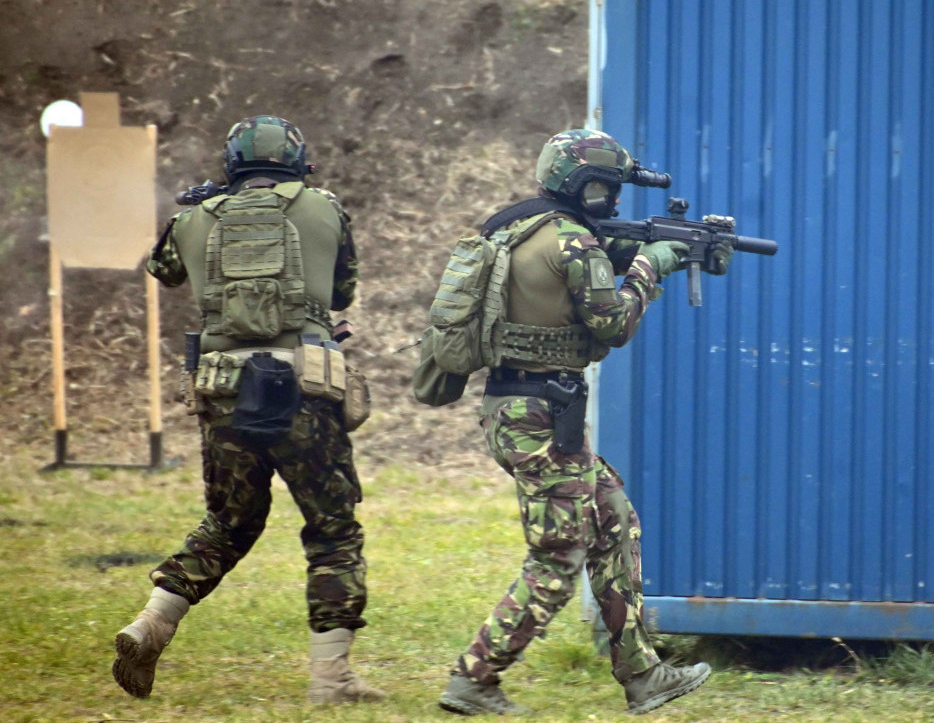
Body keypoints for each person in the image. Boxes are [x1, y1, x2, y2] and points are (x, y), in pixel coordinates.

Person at [437, 128, 730, 716]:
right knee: (557, 558)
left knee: (614, 518)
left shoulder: (525, 227)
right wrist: (650, 267)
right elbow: (613, 324)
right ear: (577, 183)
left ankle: (643, 675)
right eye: (604, 186)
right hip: (539, 417)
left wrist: (673, 250)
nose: (613, 199)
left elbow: (589, 264)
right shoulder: (570, 241)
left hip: (524, 410)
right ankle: (474, 678)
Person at [113, 115, 384, 705]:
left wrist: (203, 211)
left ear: (233, 163)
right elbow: (342, 292)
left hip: (224, 393)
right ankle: (331, 680)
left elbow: (162, 270)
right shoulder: (325, 208)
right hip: (305, 393)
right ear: (295, 160)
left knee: (229, 522)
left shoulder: (193, 219)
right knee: (333, 531)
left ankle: (152, 623)